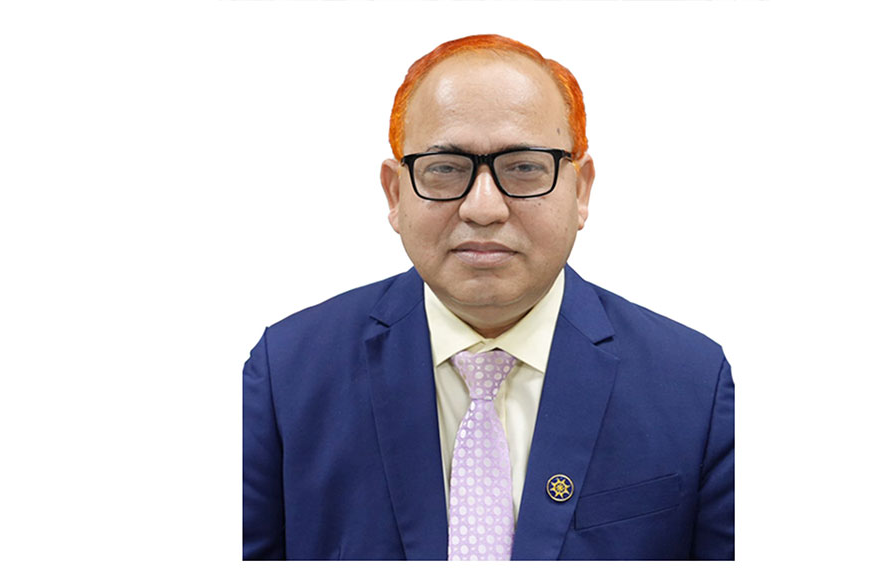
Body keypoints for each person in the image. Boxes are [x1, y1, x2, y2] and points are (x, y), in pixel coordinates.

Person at [243, 34, 734, 561]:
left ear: (581, 189)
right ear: (395, 193)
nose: (483, 208)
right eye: (445, 168)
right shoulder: (287, 375)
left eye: (523, 167)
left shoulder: (693, 385)